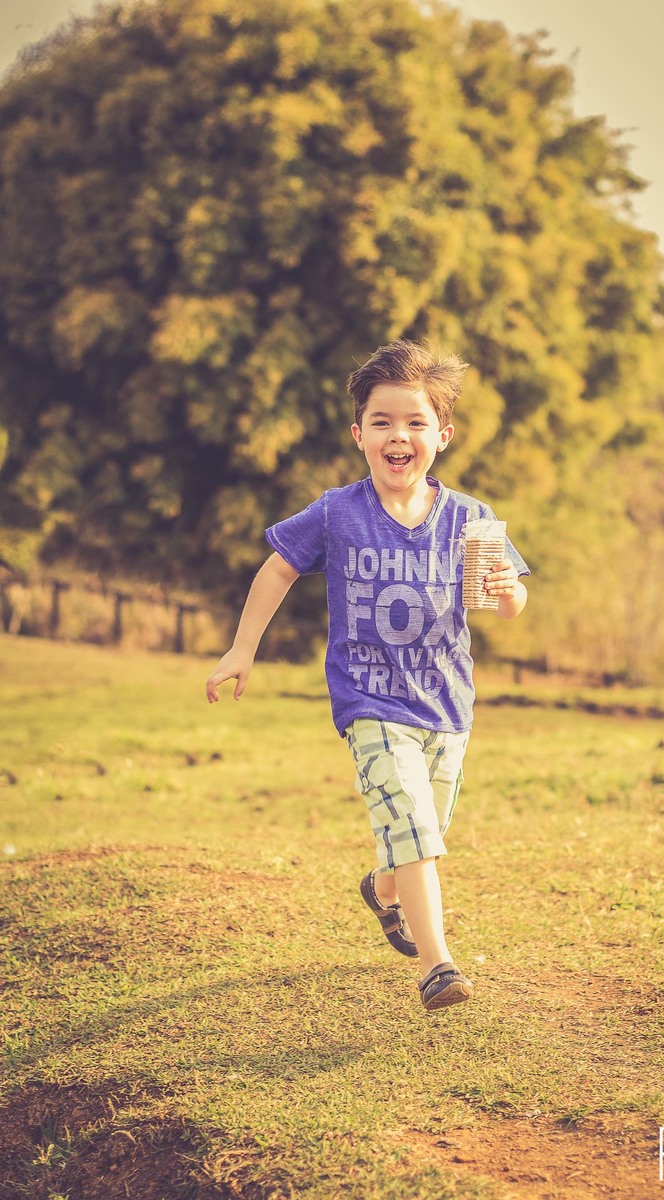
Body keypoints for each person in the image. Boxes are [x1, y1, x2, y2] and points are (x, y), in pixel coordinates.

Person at [206, 339, 529, 1011]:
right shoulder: (336, 512)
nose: (398, 435)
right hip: (370, 702)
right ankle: (438, 964)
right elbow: (278, 568)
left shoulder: (472, 520)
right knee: (411, 820)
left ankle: (383, 889)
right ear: (359, 435)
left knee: (423, 831)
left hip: (447, 705)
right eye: (382, 422)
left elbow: (510, 599)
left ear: (443, 433)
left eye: (414, 422)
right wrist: (242, 649)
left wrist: (506, 590)